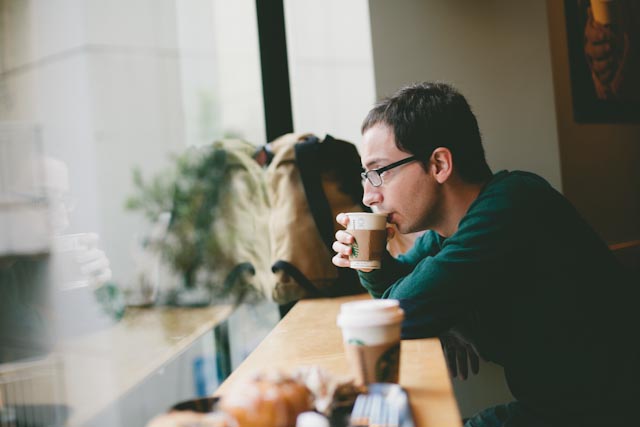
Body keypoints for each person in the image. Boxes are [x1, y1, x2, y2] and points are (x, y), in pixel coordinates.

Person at [332, 82, 638, 427]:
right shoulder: (448, 231)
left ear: (439, 164)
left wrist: (436, 311)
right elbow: (397, 297)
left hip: (600, 411)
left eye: (378, 173)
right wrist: (368, 258)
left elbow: (402, 314)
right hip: (560, 408)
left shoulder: (512, 205)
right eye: (364, 176)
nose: (369, 195)